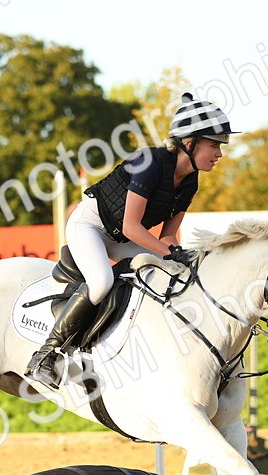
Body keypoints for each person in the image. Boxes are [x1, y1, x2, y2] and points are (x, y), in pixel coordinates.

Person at [25, 93, 237, 389]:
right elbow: (133, 227)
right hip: (90, 225)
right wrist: (173, 252)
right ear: (189, 143)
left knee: (175, 274)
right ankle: (45, 355)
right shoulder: (150, 163)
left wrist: (178, 257)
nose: (219, 153)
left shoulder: (191, 181)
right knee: (100, 282)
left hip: (122, 235)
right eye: (214, 145)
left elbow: (167, 236)